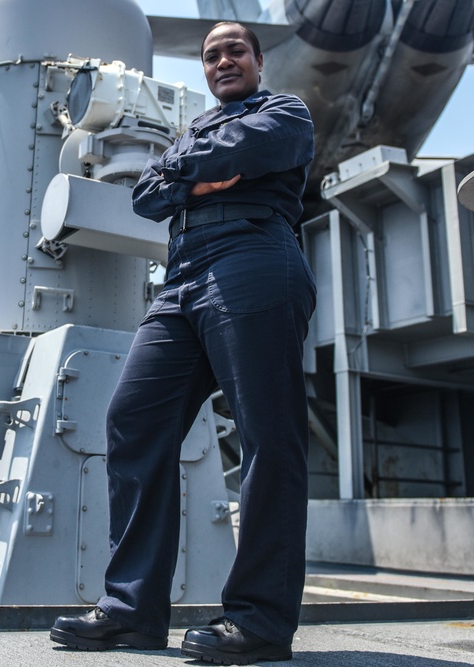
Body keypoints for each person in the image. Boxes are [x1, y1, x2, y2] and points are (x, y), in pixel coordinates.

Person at [49, 21, 316, 665]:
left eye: (235, 51)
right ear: (203, 71)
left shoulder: (284, 111)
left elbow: (241, 150)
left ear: (256, 62)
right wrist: (203, 170)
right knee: (133, 419)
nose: (222, 60)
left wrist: (188, 173)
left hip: (254, 253)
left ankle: (260, 622)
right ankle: (132, 612)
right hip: (182, 277)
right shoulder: (194, 130)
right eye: (211, 54)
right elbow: (145, 195)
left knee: (267, 435)